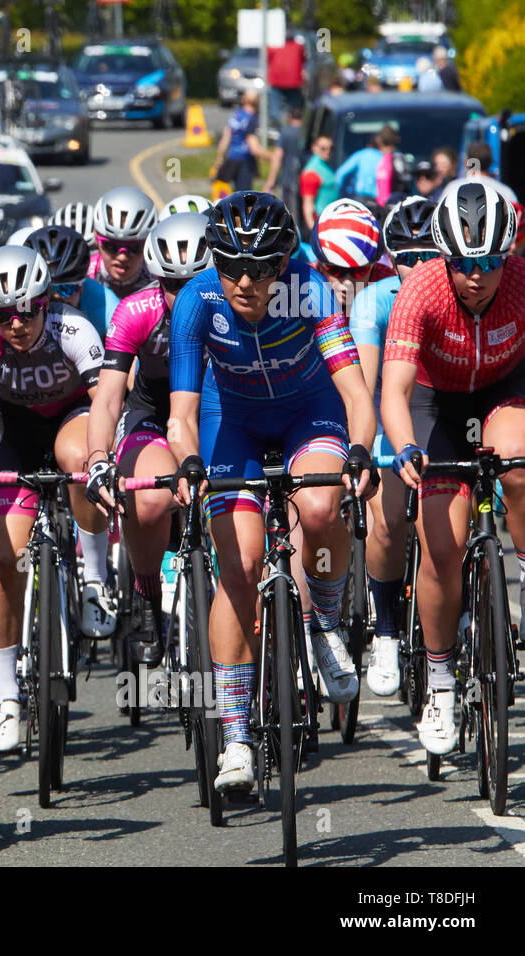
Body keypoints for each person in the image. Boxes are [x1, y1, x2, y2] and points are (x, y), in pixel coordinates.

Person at [170, 191, 376, 792]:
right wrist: (187, 462)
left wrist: (360, 451)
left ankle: (327, 623)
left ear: (283, 264)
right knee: (238, 565)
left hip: (308, 412)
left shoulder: (312, 290)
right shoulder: (196, 300)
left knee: (318, 504)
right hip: (228, 417)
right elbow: (181, 412)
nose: (244, 282)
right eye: (230, 266)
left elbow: (357, 395)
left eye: (261, 270)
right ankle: (235, 738)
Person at [382, 179, 525, 756]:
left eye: (490, 261)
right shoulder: (419, 291)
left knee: (517, 465)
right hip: (434, 400)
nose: (477, 275)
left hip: (506, 389)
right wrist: (404, 447)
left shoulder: (521, 283)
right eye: (464, 262)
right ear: (444, 256)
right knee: (440, 545)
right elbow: (393, 390)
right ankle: (440, 682)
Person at [0, 247, 103, 751]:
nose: (17, 324)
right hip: (11, 434)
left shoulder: (74, 330)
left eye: (27, 310)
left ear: (46, 302)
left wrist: (103, 456)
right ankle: (6, 697)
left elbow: (103, 400)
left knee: (80, 461)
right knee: (5, 559)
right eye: (3, 315)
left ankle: (94, 578)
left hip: (70, 418)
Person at [86, 212, 211, 666]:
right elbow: (107, 399)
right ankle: (144, 593)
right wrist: (98, 459)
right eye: (173, 286)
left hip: (217, 415)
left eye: (196, 283)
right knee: (153, 499)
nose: (184, 297)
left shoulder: (236, 310)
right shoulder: (136, 310)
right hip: (153, 417)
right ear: (157, 281)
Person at [346, 196, 440, 697]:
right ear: (390, 259)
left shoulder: (455, 296)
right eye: (406, 256)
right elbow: (366, 383)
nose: (418, 266)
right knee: (386, 521)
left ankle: (466, 608)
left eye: (429, 254)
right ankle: (384, 629)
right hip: (390, 409)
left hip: (442, 412)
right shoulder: (374, 301)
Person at [23, 224, 119, 634]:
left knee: (81, 459)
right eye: (52, 293)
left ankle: (95, 576)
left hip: (75, 403)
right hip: (22, 410)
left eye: (71, 290)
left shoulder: (103, 303)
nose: (62, 301)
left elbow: (117, 388)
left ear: (88, 281)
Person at [86, 186, 157, 298]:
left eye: (135, 248)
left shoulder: (161, 284)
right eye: (111, 246)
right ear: (96, 237)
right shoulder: (84, 275)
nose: (122, 257)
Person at [212, 90, 273, 193]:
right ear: (258, 102)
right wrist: (273, 157)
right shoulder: (251, 119)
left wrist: (220, 158)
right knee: (245, 197)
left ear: (244, 100)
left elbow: (225, 138)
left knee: (236, 194)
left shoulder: (236, 115)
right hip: (244, 161)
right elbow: (254, 148)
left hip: (232, 160)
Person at [336, 125, 401, 205]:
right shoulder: (394, 158)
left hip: (360, 200)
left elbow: (340, 175)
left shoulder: (361, 155)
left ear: (378, 141)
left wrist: (345, 196)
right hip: (384, 203)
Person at [299, 133, 339, 230]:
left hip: (331, 221)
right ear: (314, 148)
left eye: (331, 148)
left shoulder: (326, 166)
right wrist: (313, 229)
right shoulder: (311, 173)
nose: (328, 152)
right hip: (320, 223)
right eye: (323, 148)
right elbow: (308, 205)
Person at [263, 106, 304, 197]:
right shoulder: (306, 132)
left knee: (289, 209)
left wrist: (271, 181)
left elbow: (277, 156)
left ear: (289, 117)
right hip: (305, 178)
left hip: (288, 179)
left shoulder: (285, 132)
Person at [267, 34, 306, 120]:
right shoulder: (298, 47)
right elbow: (304, 59)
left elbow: (267, 59)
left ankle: (279, 126)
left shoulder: (274, 46)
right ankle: (292, 126)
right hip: (293, 82)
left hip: (277, 81)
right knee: (294, 108)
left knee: (275, 108)